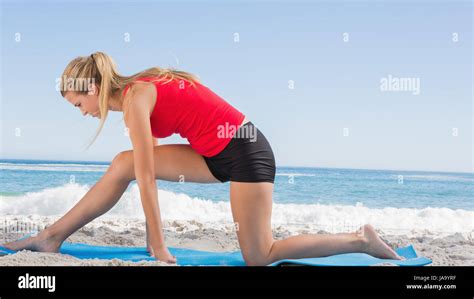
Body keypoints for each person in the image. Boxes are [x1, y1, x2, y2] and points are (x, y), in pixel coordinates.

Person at [3, 52, 402, 265]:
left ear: (93, 87)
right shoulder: (136, 97)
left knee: (259, 257)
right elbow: (143, 164)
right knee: (123, 161)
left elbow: (147, 176)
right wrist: (150, 237)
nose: (83, 112)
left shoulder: (136, 97)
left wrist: (157, 244)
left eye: (79, 103)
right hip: (213, 154)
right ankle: (51, 236)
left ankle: (360, 241)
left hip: (247, 150)